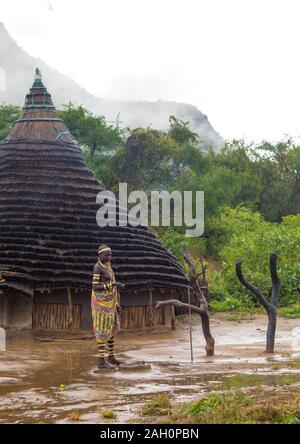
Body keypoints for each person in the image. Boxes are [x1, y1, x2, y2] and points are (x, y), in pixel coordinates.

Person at [91, 245, 125, 369]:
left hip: (110, 303)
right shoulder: (97, 267)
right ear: (100, 255)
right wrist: (113, 284)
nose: (109, 257)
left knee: (111, 329)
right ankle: (101, 361)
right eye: (107, 255)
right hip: (101, 304)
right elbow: (95, 287)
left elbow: (110, 285)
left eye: (110, 255)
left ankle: (111, 356)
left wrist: (116, 303)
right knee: (102, 330)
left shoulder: (108, 267)